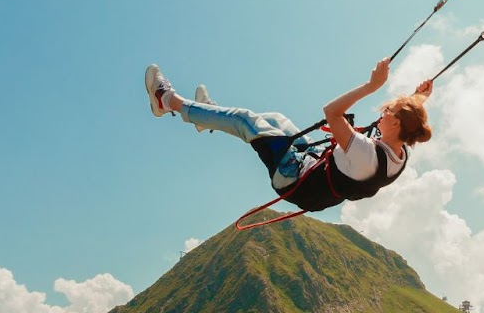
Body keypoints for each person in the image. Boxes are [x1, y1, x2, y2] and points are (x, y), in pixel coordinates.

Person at [144, 58, 433, 212]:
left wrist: (371, 86)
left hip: (295, 180)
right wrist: (418, 99)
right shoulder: (401, 151)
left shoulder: (365, 154)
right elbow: (406, 120)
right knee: (276, 119)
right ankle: (207, 117)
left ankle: (166, 101)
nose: (381, 113)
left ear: (395, 124)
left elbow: (331, 112)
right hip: (314, 169)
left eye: (386, 111)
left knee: (247, 122)